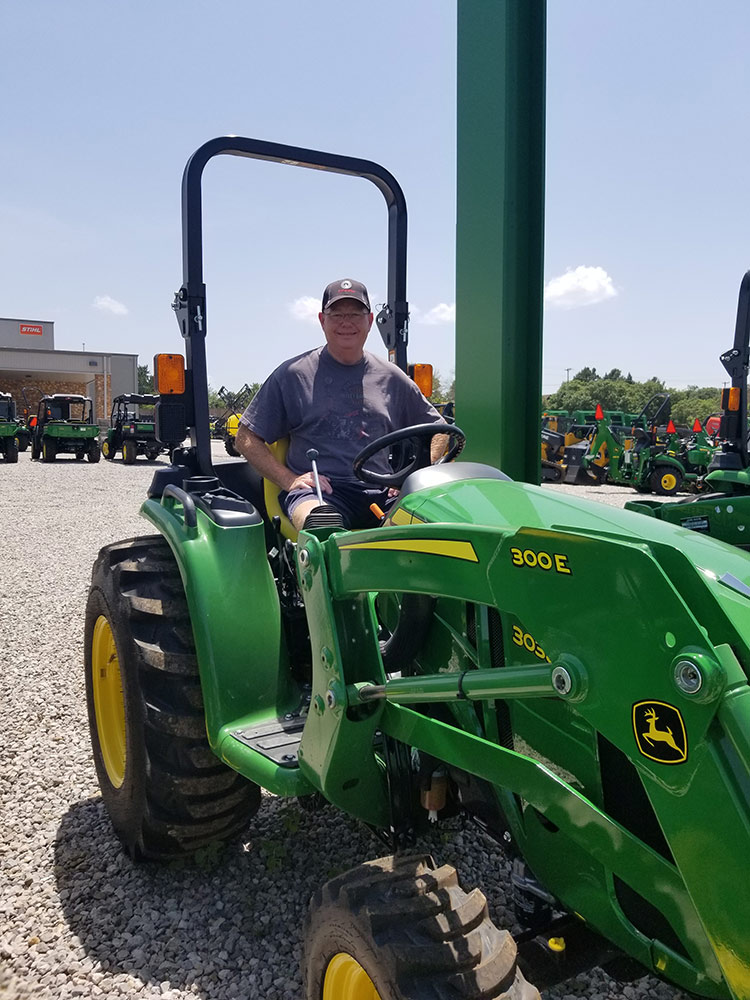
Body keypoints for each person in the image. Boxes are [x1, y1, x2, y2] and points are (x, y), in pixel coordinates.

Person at [235, 278, 446, 530]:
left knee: (434, 523)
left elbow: (440, 430)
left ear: (369, 321)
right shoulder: (293, 375)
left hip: (381, 493)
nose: (346, 322)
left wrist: (413, 477)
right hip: (320, 493)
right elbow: (245, 438)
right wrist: (289, 480)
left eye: (356, 314)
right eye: (336, 314)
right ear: (322, 321)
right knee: (322, 522)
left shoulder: (392, 378)